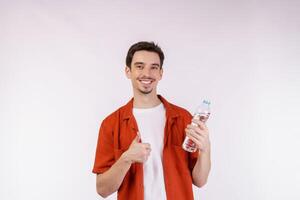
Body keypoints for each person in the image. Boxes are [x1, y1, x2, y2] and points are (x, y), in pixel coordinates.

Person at [92, 41, 211, 200]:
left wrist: (205, 149)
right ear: (128, 71)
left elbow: (200, 180)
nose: (147, 73)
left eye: (154, 67)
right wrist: (126, 159)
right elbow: (102, 189)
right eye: (140, 66)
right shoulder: (111, 124)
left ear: (161, 73)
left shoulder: (183, 118)